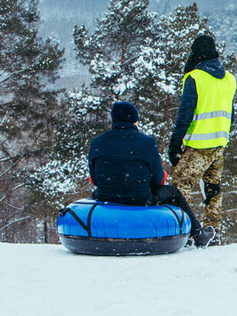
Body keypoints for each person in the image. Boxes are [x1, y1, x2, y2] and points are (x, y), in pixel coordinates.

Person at [88, 101, 216, 247]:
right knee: (173, 192)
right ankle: (198, 235)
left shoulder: (97, 142)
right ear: (134, 120)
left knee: (96, 193)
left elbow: (95, 178)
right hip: (140, 199)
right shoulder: (146, 142)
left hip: (106, 197)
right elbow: (157, 180)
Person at [168, 35, 237, 246]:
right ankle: (213, 231)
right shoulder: (229, 79)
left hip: (198, 144)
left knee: (181, 184)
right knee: (213, 188)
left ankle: (187, 232)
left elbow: (184, 114)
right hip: (219, 143)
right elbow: (231, 115)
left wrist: (175, 143)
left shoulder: (195, 78)